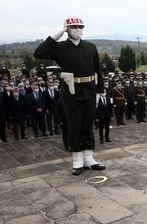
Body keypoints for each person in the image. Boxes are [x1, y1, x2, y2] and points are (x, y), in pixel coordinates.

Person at [34, 17, 105, 175]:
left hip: (89, 90)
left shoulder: (90, 47)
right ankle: (77, 160)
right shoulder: (59, 47)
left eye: (80, 26)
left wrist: (100, 90)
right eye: (74, 27)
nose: (78, 29)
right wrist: (56, 36)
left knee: (88, 123)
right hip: (71, 90)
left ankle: (89, 158)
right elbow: (38, 53)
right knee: (74, 125)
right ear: (67, 29)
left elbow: (97, 69)